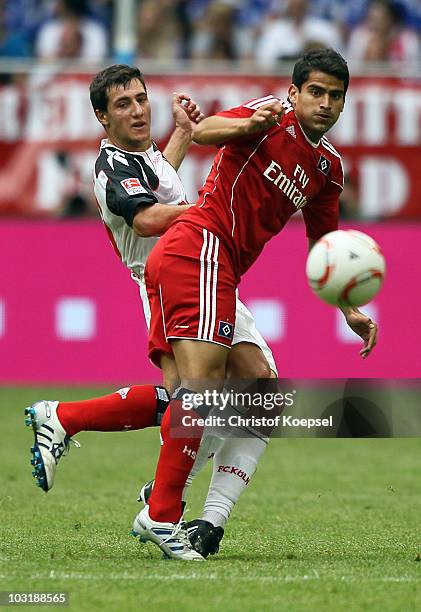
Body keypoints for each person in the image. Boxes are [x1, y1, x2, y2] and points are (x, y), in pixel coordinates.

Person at [130, 48, 378, 560]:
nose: (325, 103)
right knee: (201, 394)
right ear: (294, 92)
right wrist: (253, 121)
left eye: (335, 96)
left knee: (261, 392)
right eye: (316, 92)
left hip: (225, 272)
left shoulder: (328, 168)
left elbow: (323, 245)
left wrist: (348, 306)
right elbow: (205, 132)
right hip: (202, 247)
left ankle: (207, 522)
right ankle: (159, 503)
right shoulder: (269, 116)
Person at [26, 64, 278, 560]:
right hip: (171, 277)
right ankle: (165, 509)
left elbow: (162, 181)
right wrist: (210, 212)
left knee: (234, 394)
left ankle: (68, 420)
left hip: (200, 267)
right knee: (199, 402)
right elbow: (144, 219)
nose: (138, 110)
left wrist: (183, 134)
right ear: (102, 117)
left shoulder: (143, 156)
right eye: (123, 105)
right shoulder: (110, 168)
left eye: (141, 99)